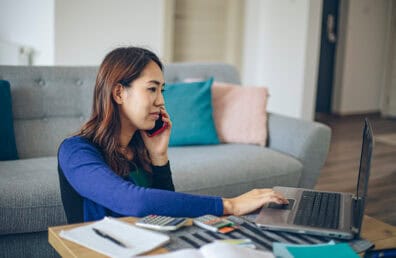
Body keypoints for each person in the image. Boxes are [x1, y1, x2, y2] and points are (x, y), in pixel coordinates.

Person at [57, 46, 288, 222]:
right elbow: (134, 201)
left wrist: (159, 157)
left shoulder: (138, 149)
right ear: (119, 93)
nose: (161, 101)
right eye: (152, 89)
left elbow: (163, 217)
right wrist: (230, 206)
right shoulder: (76, 151)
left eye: (161, 90)